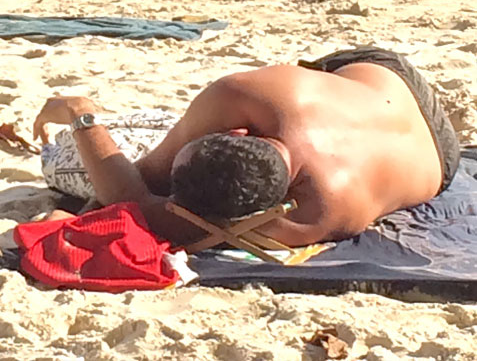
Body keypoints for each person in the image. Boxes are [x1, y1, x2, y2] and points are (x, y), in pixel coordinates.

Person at [33, 47, 459, 246]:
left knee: (152, 166)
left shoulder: (310, 215)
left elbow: (133, 195)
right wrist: (77, 113)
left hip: (424, 132)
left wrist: (82, 114)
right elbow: (136, 200)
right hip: (403, 107)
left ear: (238, 131)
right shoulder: (323, 209)